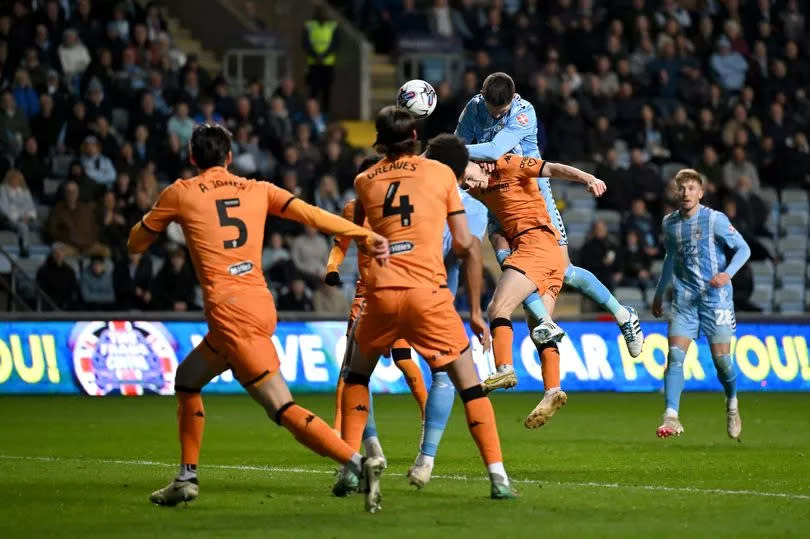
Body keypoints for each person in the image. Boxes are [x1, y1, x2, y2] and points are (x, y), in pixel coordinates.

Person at [129, 124, 390, 512]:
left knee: (281, 408)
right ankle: (186, 477)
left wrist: (155, 219)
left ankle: (357, 463)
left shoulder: (179, 193)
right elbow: (313, 215)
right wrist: (363, 235)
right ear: (230, 158)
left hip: (230, 313)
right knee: (187, 379)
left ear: (192, 158)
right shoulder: (258, 189)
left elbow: (136, 243)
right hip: (258, 304)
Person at [334, 107, 515, 500]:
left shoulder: (364, 180)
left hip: (380, 295)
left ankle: (351, 467)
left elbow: (361, 236)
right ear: (415, 138)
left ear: (379, 141)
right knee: (468, 386)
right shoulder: (439, 175)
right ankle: (498, 478)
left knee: (355, 378)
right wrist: (473, 312)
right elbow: (466, 247)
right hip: (430, 296)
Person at [454, 72, 644, 394]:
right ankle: (544, 335)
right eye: (491, 108)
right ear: (482, 96)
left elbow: (491, 149)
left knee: (563, 269)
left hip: (532, 194)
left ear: (512, 100)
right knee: (506, 257)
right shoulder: (473, 108)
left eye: (501, 110)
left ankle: (623, 314)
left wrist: (465, 155)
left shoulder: (524, 111)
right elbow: (459, 144)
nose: (496, 115)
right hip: (494, 193)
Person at [466, 153, 606, 427]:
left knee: (497, 308)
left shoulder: (509, 164)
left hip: (535, 246)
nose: (473, 184)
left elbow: (552, 168)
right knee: (539, 326)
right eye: (467, 182)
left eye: (472, 177)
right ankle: (553, 389)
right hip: (549, 254)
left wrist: (587, 177)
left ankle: (504, 368)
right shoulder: (478, 189)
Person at [652, 169, 751, 440]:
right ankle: (671, 416)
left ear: (701, 192)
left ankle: (732, 403)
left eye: (692, 188)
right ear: (676, 192)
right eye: (682, 188)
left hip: (715, 300)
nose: (686, 193)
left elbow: (744, 249)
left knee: (722, 362)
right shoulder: (669, 224)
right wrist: (660, 293)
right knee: (674, 356)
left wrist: (726, 274)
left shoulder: (714, 220)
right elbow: (670, 258)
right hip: (684, 300)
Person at [302, 7, 339, 112]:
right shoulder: (309, 26)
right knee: (313, 91)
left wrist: (323, 56)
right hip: (313, 64)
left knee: (326, 91)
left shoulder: (333, 26)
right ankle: (310, 113)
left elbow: (335, 44)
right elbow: (306, 44)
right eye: (321, 13)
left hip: (328, 64)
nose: (323, 16)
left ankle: (325, 115)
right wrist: (316, 56)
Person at [0, 169, 37, 256]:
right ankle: (24, 249)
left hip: (26, 218)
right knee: (23, 226)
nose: (16, 181)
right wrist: (20, 217)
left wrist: (29, 216)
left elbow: (31, 206)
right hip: (8, 219)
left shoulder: (25, 191)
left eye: (18, 179)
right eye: (14, 178)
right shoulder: (3, 189)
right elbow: (4, 208)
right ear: (9, 179)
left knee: (38, 225)